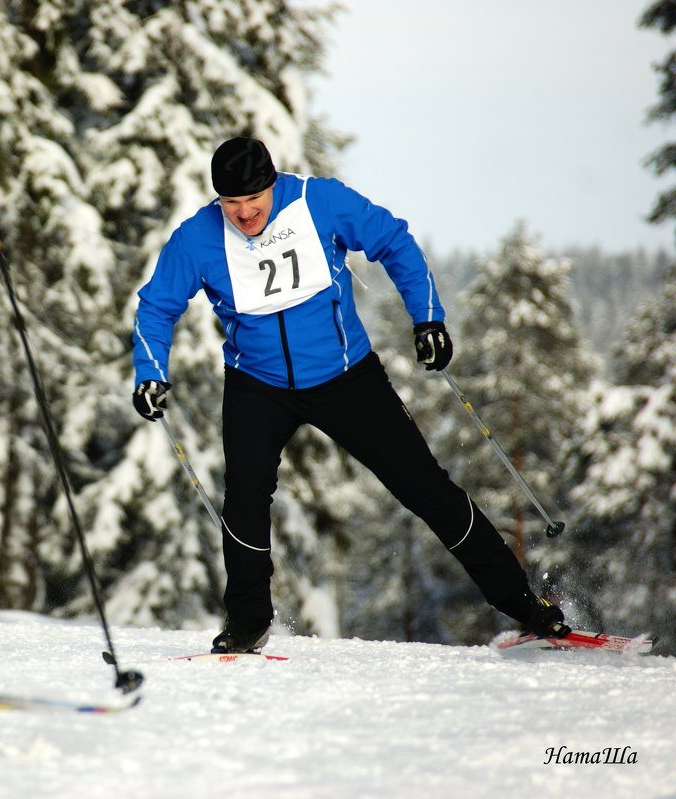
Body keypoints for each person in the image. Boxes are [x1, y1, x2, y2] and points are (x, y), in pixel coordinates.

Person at [131, 137, 570, 654]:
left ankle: (523, 605)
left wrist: (427, 316)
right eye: (232, 204)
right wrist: (150, 372)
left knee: (425, 486)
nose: (245, 213)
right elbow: (156, 306)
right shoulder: (196, 239)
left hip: (346, 377)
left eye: (254, 200)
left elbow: (394, 241)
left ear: (273, 185)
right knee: (246, 498)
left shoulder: (320, 202)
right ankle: (247, 622)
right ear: (217, 200)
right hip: (257, 385)